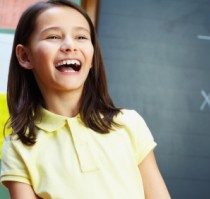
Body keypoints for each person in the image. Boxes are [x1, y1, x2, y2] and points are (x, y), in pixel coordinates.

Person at [0, 0, 171, 198]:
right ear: (25, 56)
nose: (70, 45)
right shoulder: (19, 145)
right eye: (53, 36)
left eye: (81, 36)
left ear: (91, 56)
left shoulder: (129, 124)